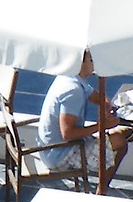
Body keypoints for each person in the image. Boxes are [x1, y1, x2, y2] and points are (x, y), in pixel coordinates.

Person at [33, 51, 125, 179]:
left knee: (127, 133)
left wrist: (107, 106)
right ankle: (101, 191)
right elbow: (68, 133)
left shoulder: (69, 78)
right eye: (91, 60)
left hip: (50, 149)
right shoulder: (73, 91)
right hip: (60, 155)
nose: (95, 63)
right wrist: (102, 126)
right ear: (79, 64)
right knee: (120, 141)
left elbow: (99, 98)